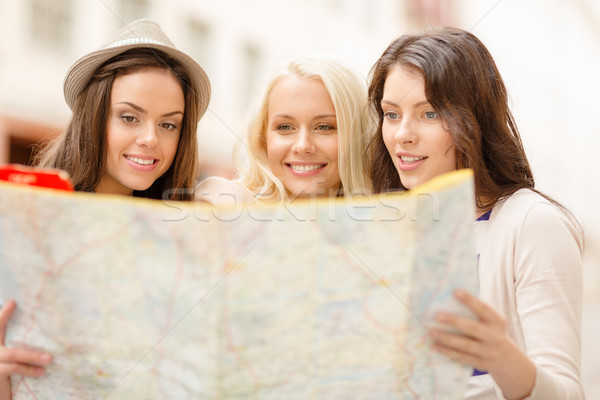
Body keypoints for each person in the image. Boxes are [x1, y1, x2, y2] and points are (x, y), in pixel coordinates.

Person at [367, 27, 584, 399]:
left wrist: (500, 356)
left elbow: (567, 393)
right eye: (391, 114)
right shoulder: (390, 224)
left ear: (474, 118)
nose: (402, 134)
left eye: (429, 113)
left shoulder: (532, 224)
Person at [1, 19, 211, 399]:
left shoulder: (184, 235)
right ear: (93, 116)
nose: (150, 139)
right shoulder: (23, 220)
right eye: (129, 117)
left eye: (169, 124)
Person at [196, 57, 371, 204]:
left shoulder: (381, 219)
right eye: (285, 127)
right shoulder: (229, 201)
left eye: (324, 127)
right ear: (264, 137)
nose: (302, 146)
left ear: (357, 135)